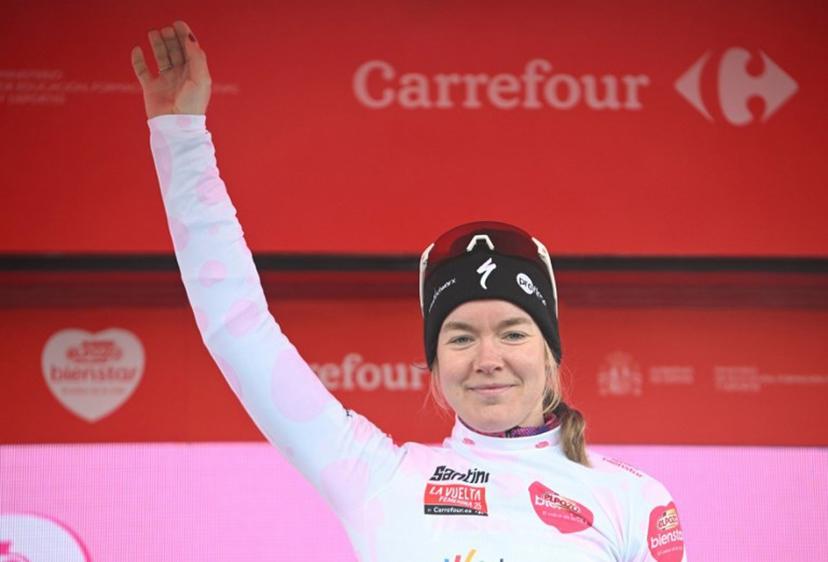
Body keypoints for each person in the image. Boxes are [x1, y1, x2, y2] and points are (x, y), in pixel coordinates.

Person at [132, 21, 687, 562]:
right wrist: (181, 138)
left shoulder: (634, 502)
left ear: (549, 353)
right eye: (461, 337)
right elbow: (238, 329)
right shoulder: (378, 478)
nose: (488, 359)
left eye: (513, 332)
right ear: (434, 365)